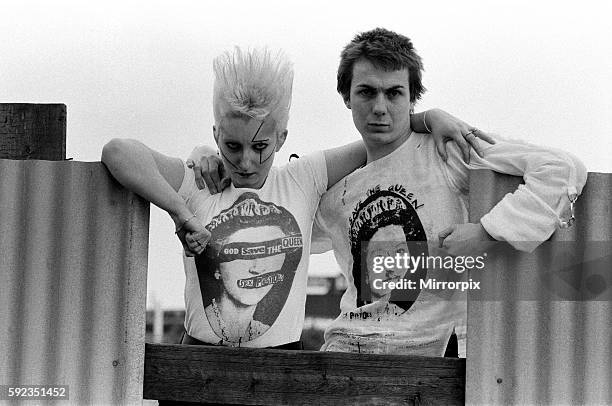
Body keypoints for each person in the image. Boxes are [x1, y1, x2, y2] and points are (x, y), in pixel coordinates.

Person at [102, 46, 485, 349]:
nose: (246, 161)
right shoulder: (198, 182)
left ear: (282, 139)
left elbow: (383, 135)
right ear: (216, 135)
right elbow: (118, 152)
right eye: (232, 146)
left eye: (261, 146)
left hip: (283, 366)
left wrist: (429, 117)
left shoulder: (303, 179)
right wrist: (179, 212)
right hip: (198, 364)